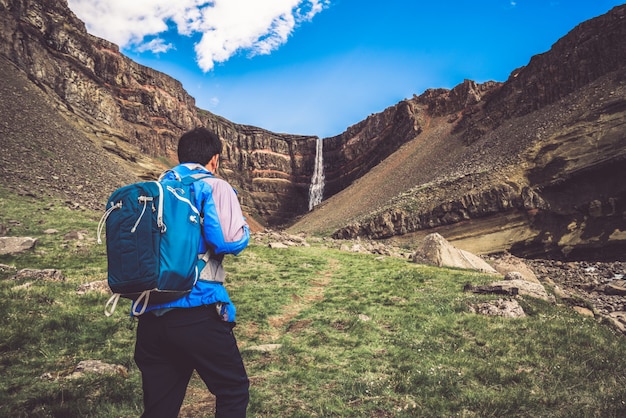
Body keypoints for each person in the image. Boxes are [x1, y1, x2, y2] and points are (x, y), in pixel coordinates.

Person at [133, 127, 250, 418]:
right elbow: (227, 241)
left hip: (151, 314)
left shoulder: (157, 188)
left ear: (180, 156)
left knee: (160, 407)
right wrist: (245, 229)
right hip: (198, 310)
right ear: (215, 159)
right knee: (233, 389)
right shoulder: (214, 185)